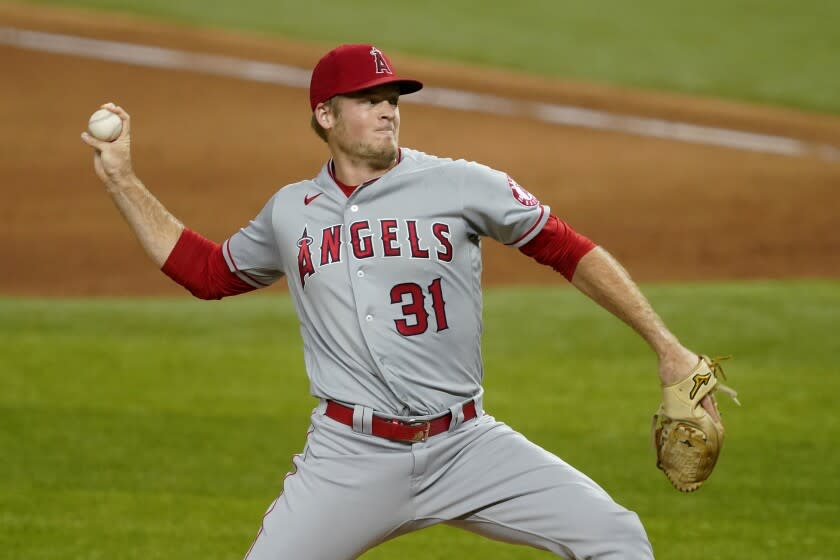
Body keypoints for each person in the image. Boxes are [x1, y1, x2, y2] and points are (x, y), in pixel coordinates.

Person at [81, 44, 723, 560]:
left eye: (392, 98)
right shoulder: (290, 213)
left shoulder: (461, 183)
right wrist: (123, 181)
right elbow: (209, 272)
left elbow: (568, 249)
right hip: (350, 457)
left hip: (467, 444)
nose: (388, 109)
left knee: (618, 540)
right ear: (326, 116)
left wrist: (667, 347)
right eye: (369, 100)